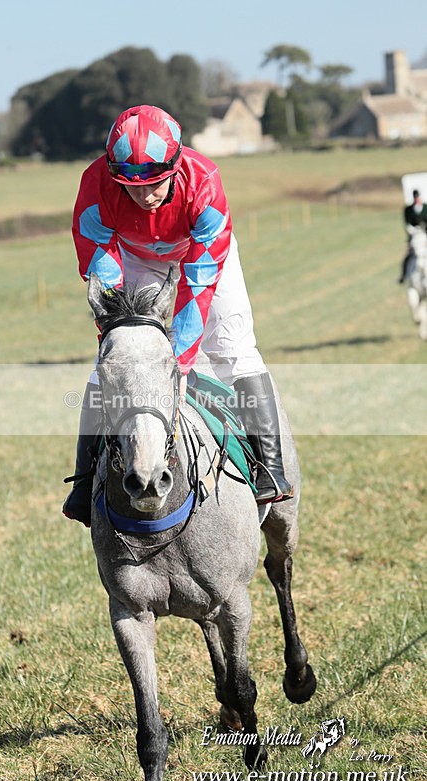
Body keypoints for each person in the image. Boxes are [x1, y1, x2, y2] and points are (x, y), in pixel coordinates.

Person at [63, 104, 293, 525]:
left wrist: (182, 357)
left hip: (202, 257)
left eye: (154, 183)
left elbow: (199, 280)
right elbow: (99, 266)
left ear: (175, 164)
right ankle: (83, 484)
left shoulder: (203, 182)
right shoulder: (95, 184)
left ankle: (270, 469)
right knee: (112, 363)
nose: (144, 196)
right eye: (129, 186)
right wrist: (118, 333)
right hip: (135, 259)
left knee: (232, 348)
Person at [399, 189, 427, 283]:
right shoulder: (408, 209)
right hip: (414, 236)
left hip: (425, 234)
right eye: (415, 197)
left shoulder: (425, 207)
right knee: (407, 256)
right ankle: (403, 276)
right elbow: (407, 222)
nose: (417, 199)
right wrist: (411, 229)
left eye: (418, 197)